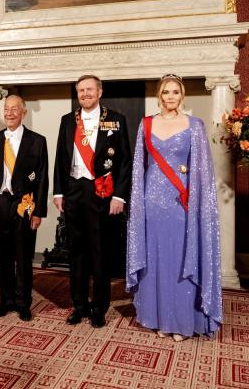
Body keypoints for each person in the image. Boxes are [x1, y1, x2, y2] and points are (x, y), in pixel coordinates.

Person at [126, 74, 222, 341]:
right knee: (157, 260)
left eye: (175, 92)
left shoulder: (194, 126)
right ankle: (157, 317)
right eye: (166, 92)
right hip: (152, 203)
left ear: (182, 96)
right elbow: (138, 168)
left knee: (179, 260)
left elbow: (203, 170)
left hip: (181, 203)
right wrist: (138, 205)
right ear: (159, 95)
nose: (171, 97)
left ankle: (180, 322)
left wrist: (194, 196)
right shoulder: (145, 125)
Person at [53, 75, 132, 328]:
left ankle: (99, 307)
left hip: (101, 193)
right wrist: (58, 192)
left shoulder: (116, 120)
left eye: (89, 89)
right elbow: (60, 159)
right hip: (74, 190)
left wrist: (119, 195)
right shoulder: (67, 120)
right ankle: (79, 305)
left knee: (100, 253)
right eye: (80, 90)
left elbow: (124, 162)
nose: (85, 94)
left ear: (99, 91)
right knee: (75, 253)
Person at [0, 95, 49, 321]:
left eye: (14, 109)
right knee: (2, 255)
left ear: (24, 113)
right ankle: (6, 300)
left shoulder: (37, 141)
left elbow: (42, 179)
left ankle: (23, 303)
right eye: (6, 109)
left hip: (24, 204)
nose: (9, 113)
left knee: (23, 256)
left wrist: (39, 211)